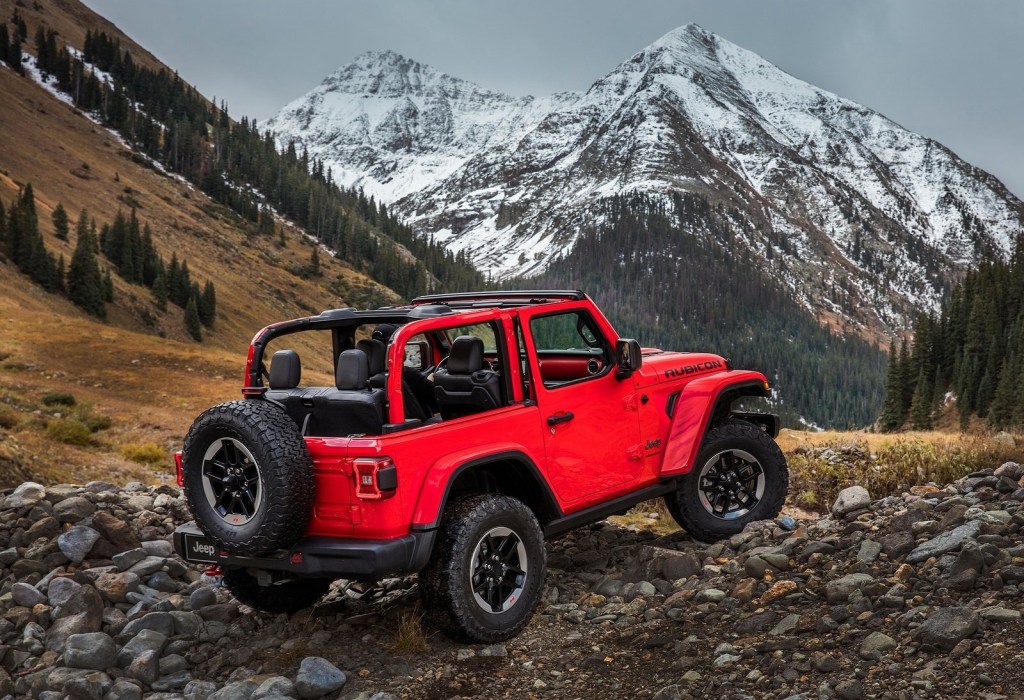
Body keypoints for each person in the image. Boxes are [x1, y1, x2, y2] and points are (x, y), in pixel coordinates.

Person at [372, 323, 438, 415]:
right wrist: (432, 380)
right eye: (403, 345)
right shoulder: (408, 375)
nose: (404, 349)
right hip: (420, 425)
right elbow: (436, 399)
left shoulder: (365, 380)